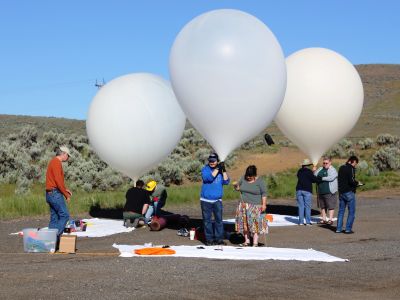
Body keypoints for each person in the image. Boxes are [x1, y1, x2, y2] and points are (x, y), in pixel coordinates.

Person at [200, 153, 230, 246]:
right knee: (207, 221)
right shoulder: (205, 169)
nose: (212, 163)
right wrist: (217, 169)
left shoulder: (220, 171)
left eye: (214, 161)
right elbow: (208, 178)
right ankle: (209, 239)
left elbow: (226, 181)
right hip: (206, 200)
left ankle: (219, 239)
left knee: (219, 221)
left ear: (217, 161)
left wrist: (223, 170)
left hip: (217, 200)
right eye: (210, 161)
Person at [234, 165, 268, 247]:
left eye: (251, 176)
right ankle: (247, 241)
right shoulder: (243, 178)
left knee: (255, 224)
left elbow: (264, 193)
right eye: (247, 176)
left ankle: (255, 242)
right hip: (243, 205)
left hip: (256, 206)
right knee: (244, 223)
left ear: (255, 175)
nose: (248, 177)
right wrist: (236, 187)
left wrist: (264, 205)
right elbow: (238, 188)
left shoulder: (260, 181)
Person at [45, 145, 73, 236]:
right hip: (55, 194)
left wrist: (64, 189)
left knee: (54, 217)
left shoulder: (53, 161)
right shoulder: (57, 163)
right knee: (64, 215)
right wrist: (66, 194)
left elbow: (55, 181)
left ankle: (50, 243)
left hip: (49, 194)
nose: (68, 157)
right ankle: (54, 237)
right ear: (63, 153)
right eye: (68, 155)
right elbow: (58, 180)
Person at [336, 156, 361, 234]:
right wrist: (358, 183)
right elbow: (351, 180)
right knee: (351, 211)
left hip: (341, 192)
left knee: (341, 211)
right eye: (355, 163)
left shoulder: (341, 168)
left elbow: (340, 180)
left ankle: (338, 229)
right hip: (349, 192)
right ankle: (348, 229)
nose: (355, 165)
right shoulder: (351, 168)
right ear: (352, 161)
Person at [314, 157, 338, 225]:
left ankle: (330, 219)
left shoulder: (333, 170)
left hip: (329, 191)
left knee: (330, 205)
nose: (325, 164)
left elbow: (331, 178)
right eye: (324, 163)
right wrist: (314, 171)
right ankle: (324, 219)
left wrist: (321, 178)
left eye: (326, 163)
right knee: (322, 206)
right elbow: (315, 175)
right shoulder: (320, 168)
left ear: (330, 163)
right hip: (320, 190)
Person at [295, 159, 318, 226]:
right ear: (308, 165)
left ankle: (301, 222)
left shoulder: (299, 171)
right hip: (307, 190)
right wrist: (314, 172)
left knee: (301, 206)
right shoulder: (309, 171)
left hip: (299, 189)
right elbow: (314, 180)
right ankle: (308, 222)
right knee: (307, 206)